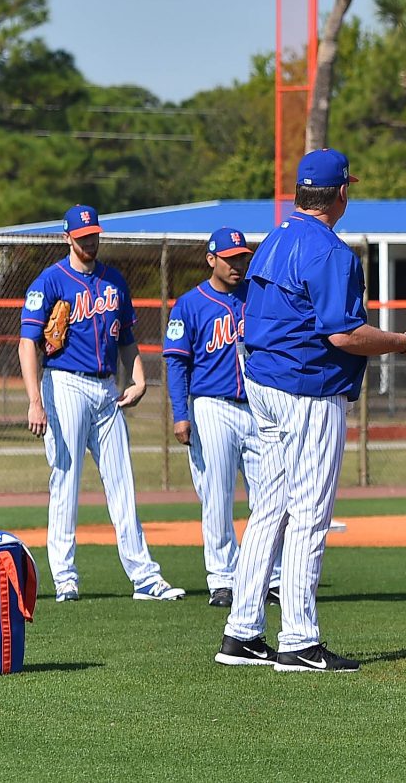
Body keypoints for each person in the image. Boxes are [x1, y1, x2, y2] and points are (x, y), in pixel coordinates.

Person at [216, 149, 406, 672]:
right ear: (341, 194)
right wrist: (403, 343)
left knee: (270, 508)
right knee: (309, 512)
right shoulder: (329, 251)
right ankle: (298, 638)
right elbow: (343, 333)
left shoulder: (273, 241)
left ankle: (242, 633)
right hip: (306, 389)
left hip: (263, 383)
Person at [18, 205, 182, 602]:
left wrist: (139, 377)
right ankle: (65, 577)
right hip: (65, 383)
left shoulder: (114, 281)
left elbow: (126, 337)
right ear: (67, 238)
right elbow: (27, 342)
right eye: (82, 235)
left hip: (107, 388)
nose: (90, 240)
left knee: (122, 482)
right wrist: (34, 401)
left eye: (94, 234)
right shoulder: (51, 281)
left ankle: (144, 577)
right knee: (66, 479)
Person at [164, 227, 268, 608]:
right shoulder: (190, 304)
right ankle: (222, 578)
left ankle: (267, 577)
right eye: (230, 258)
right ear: (212, 260)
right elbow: (176, 363)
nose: (239, 263)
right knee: (217, 496)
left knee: (268, 496)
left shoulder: (256, 298)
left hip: (258, 406)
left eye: (242, 257)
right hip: (211, 406)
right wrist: (180, 414)